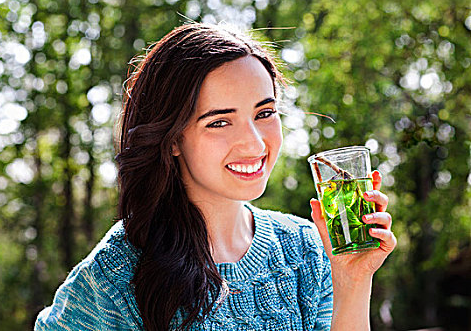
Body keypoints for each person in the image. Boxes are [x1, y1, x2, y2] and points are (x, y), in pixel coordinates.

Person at [35, 23, 397, 330]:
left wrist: (352, 278)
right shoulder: (117, 273)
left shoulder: (307, 248)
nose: (254, 144)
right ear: (173, 138)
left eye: (265, 113)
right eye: (219, 122)